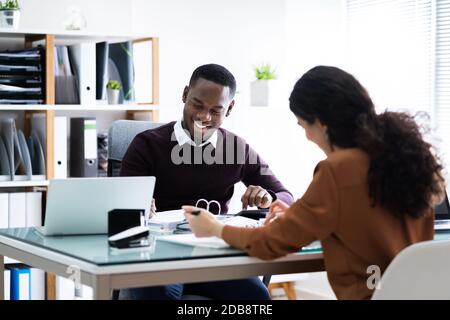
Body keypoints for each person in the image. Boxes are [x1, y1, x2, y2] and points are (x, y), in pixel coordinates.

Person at [183, 66, 446, 300]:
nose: (308, 137)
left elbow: (271, 243)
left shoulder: (338, 169)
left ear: (321, 122)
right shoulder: (409, 156)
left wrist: (215, 228)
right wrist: (302, 217)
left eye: (303, 126)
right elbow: (370, 223)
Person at [120, 63, 294, 300]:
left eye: (216, 110)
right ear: (184, 95)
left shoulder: (237, 148)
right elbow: (122, 211)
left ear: (230, 108)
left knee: (257, 297)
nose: (204, 117)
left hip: (215, 256)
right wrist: (137, 209)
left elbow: (285, 196)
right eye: (197, 105)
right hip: (159, 256)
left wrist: (268, 198)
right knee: (157, 296)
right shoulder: (147, 145)